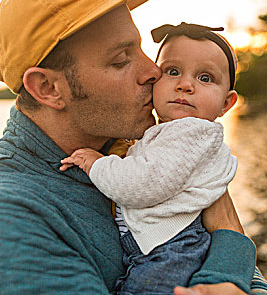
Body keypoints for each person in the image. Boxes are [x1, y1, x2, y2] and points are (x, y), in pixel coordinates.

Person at [0, 0, 267, 295]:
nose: (153, 71)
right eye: (121, 60)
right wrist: (232, 238)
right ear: (48, 88)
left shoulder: (141, 154)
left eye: (141, 48)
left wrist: (231, 256)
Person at [60, 23, 241, 294]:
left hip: (171, 250)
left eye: (205, 78)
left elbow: (142, 184)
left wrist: (97, 164)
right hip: (163, 248)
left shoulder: (191, 133)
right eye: (172, 71)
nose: (185, 85)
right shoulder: (165, 133)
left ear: (226, 104)